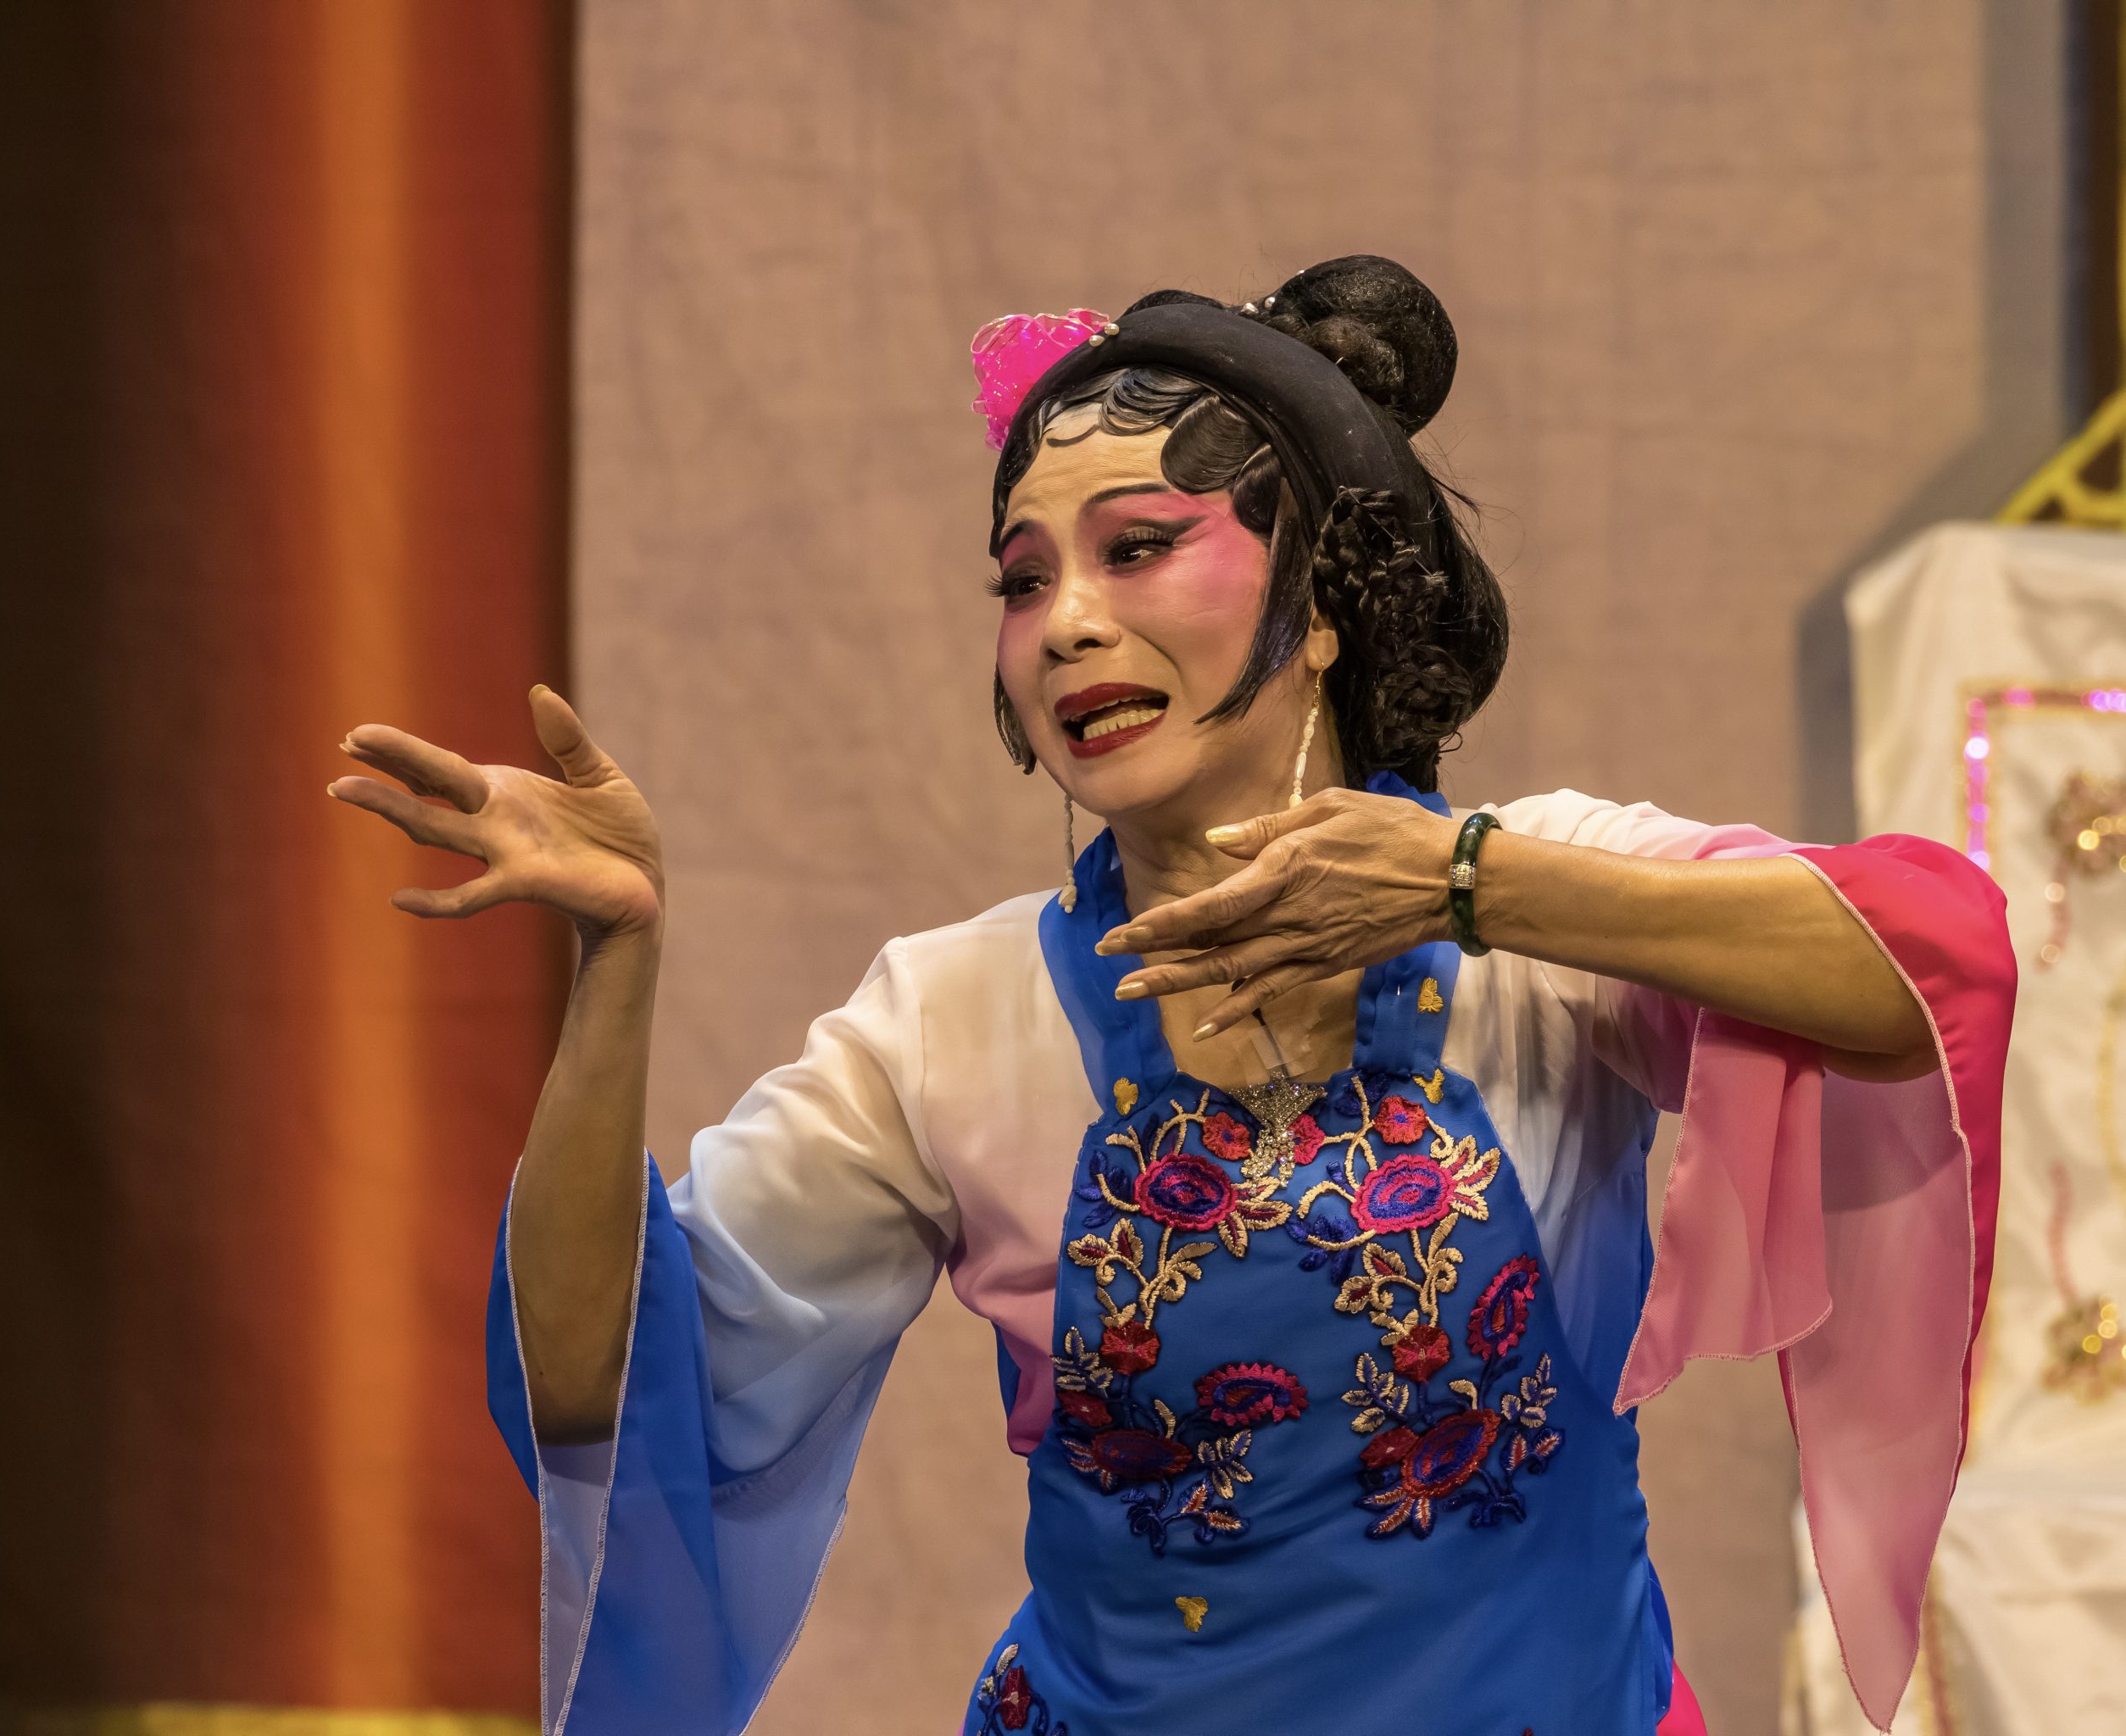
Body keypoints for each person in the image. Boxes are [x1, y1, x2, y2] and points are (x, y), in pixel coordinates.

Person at [326, 256, 2014, 1736]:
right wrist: (615, 967)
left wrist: (1470, 887)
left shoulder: (1539, 905)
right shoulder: (953, 1018)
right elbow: (600, 1390)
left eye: (1135, 549)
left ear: (1323, 605)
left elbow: (1921, 974)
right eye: (1021, 579)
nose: (1064, 624)